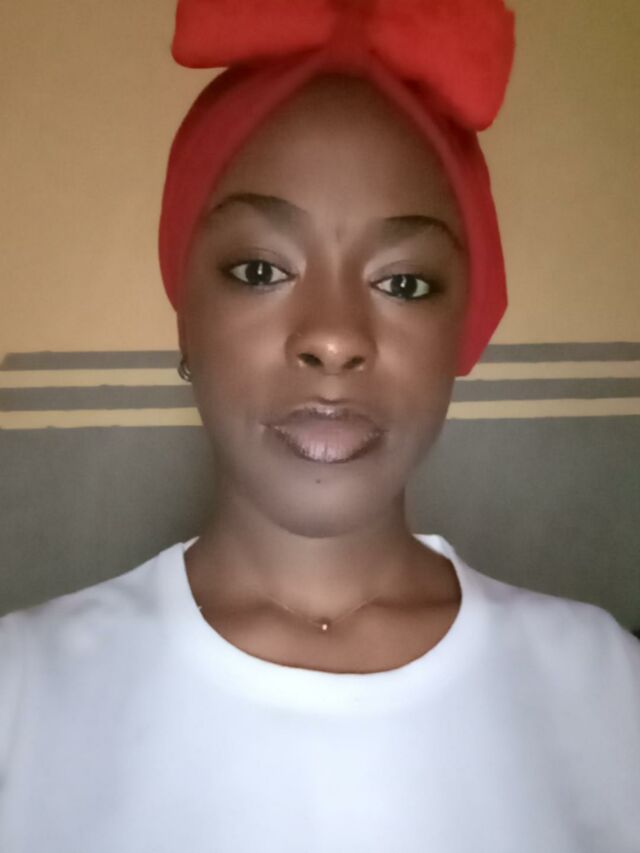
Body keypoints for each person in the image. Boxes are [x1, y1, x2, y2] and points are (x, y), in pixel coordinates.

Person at [1, 1, 639, 851]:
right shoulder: (22, 692)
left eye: (403, 283)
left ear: (467, 327)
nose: (334, 337)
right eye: (260, 269)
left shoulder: (605, 684)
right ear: (186, 314)